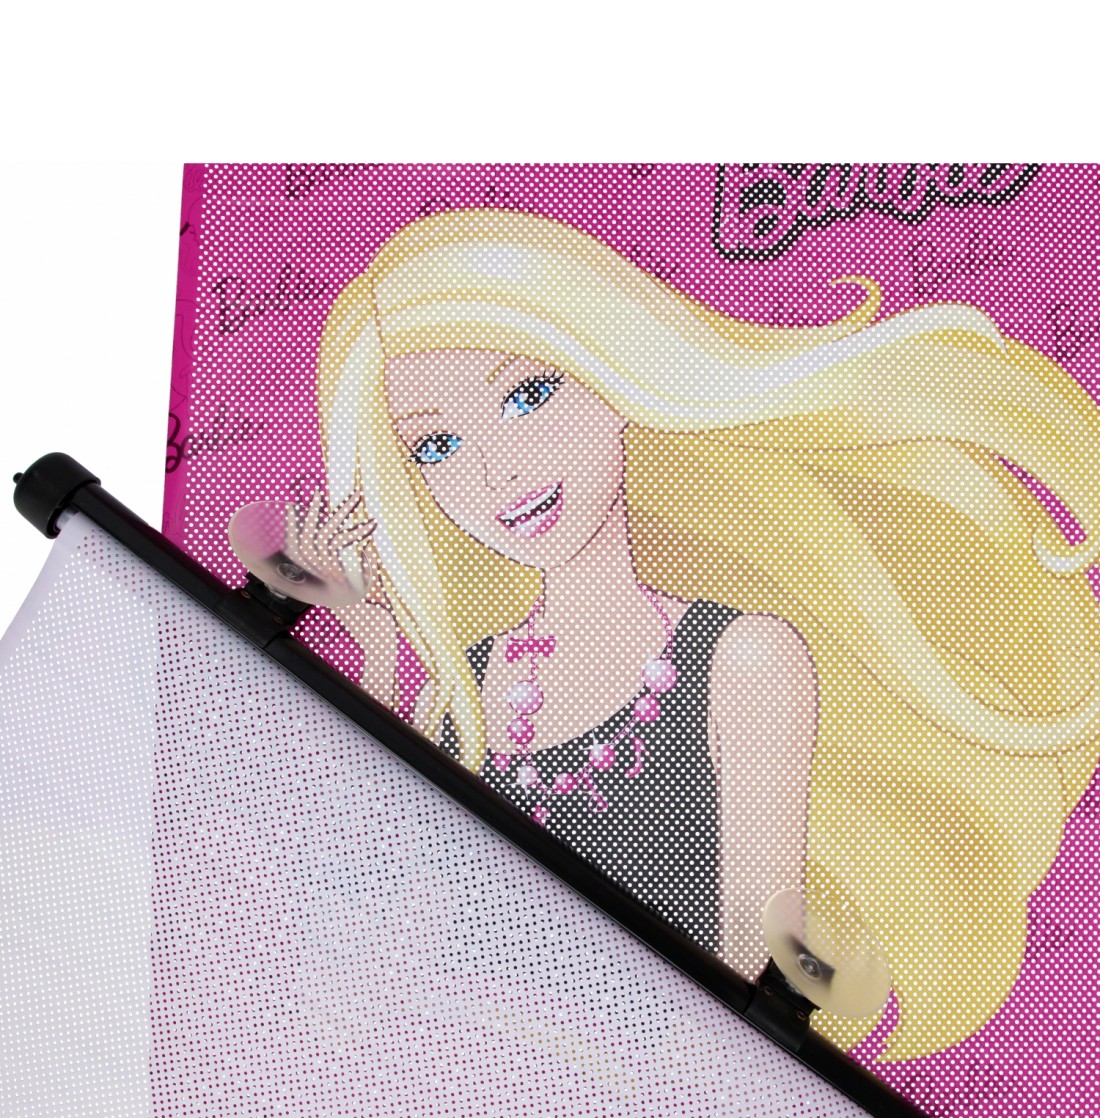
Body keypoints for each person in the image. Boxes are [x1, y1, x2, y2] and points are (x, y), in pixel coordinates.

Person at [228, 206, 1100, 1062]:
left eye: (528, 395)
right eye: (436, 448)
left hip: (638, 1094)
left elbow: (739, 976)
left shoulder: (746, 662)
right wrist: (379, 649)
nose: (497, 471)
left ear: (612, 379)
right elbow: (357, 945)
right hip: (447, 1077)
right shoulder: (467, 692)